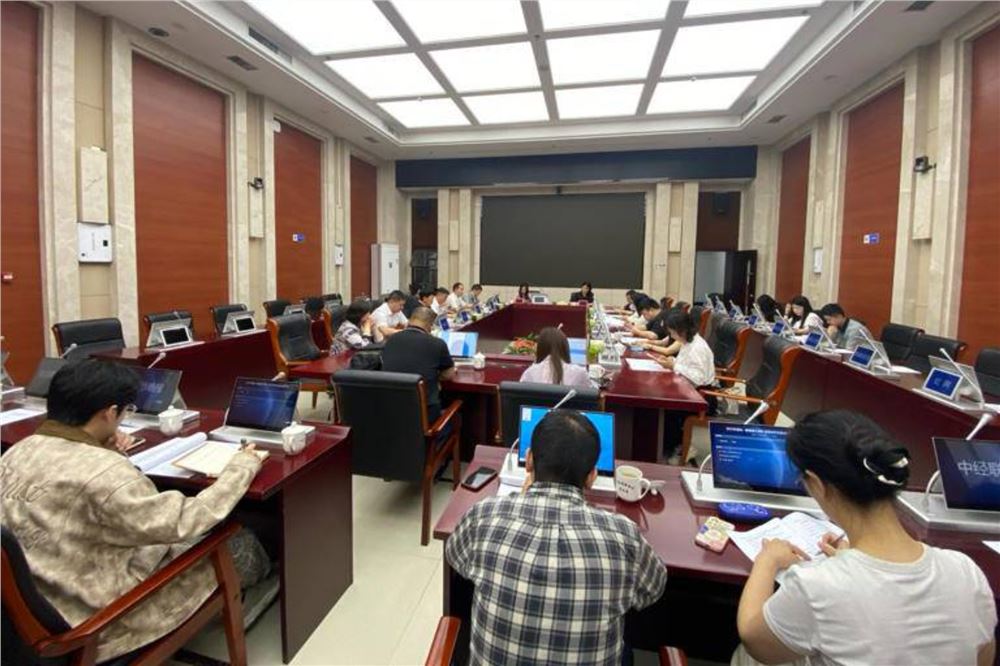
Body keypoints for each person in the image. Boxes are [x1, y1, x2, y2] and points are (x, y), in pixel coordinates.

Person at [0, 361, 269, 663]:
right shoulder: (107, 474)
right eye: (124, 412)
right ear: (109, 413)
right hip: (94, 624)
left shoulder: (16, 452)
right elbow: (185, 520)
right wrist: (242, 466)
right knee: (240, 541)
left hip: (29, 610)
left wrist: (103, 449)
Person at [735, 410, 996, 666]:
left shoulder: (815, 585)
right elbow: (983, 658)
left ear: (816, 484)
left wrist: (767, 560)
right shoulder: (967, 571)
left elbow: (755, 641)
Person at [445, 410, 667, 665]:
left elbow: (455, 555)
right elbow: (653, 588)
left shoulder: (484, 515)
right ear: (591, 477)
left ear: (529, 460)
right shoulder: (623, 536)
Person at [654, 310, 718, 461]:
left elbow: (698, 377)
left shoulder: (697, 347)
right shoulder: (689, 342)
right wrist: (672, 362)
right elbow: (685, 365)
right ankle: (665, 445)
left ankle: (670, 449)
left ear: (681, 330)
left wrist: (674, 366)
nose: (671, 336)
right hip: (690, 389)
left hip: (702, 396)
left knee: (666, 407)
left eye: (672, 332)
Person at [381, 306, 456, 421]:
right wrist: (435, 376)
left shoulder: (390, 340)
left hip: (391, 410)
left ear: (410, 320)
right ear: (430, 326)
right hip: (425, 415)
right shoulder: (437, 343)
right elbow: (449, 375)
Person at [519, 327, 593, 389]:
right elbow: (593, 396)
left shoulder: (530, 373)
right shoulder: (580, 372)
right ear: (565, 348)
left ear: (540, 349)